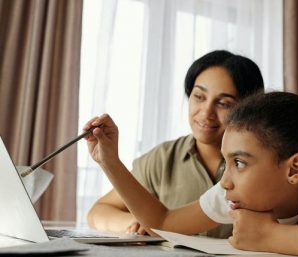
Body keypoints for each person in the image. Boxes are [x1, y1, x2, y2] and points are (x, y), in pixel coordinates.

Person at [84, 91, 298, 257]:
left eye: (239, 163)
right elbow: (164, 220)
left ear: (294, 169)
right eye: (226, 163)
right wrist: (110, 162)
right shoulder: (233, 197)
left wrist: (269, 237)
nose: (225, 181)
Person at [86, 50, 264, 238]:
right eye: (199, 97)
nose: (206, 113)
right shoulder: (162, 159)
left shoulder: (260, 165)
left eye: (224, 103)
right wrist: (135, 222)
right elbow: (99, 212)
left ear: (248, 109)